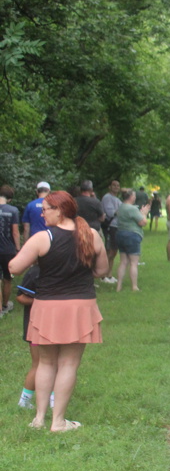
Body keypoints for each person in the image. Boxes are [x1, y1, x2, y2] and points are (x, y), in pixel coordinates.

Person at [9, 190, 109, 432]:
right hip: (80, 306)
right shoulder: (91, 235)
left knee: (45, 363)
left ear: (60, 211)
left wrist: (34, 258)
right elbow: (102, 271)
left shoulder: (43, 238)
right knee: (68, 365)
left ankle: (39, 419)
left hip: (48, 307)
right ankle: (58, 422)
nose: (42, 214)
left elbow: (14, 267)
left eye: (45, 210)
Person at [114, 189, 150, 292]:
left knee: (123, 262)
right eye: (134, 195)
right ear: (130, 197)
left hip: (120, 234)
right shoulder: (132, 209)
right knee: (134, 263)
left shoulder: (121, 207)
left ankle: (118, 286)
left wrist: (140, 213)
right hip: (132, 236)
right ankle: (134, 286)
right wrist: (144, 213)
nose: (135, 197)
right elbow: (143, 222)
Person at [16, 266, 41, 409]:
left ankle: (53, 400)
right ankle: (24, 400)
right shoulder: (34, 272)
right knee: (39, 364)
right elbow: (20, 296)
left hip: (56, 326)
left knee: (58, 364)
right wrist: (41, 301)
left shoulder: (62, 269)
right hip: (35, 327)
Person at [0, 184, 22, 316]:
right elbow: (15, 232)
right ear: (9, 199)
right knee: (7, 279)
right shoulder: (13, 210)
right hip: (8, 250)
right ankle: (5, 305)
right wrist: (18, 248)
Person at [100, 180, 122, 283]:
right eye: (114, 185)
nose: (116, 187)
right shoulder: (107, 198)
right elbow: (110, 213)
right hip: (110, 227)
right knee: (109, 251)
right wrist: (122, 211)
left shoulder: (117, 199)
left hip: (117, 227)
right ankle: (103, 275)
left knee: (114, 251)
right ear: (110, 187)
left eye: (118, 185)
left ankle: (109, 274)